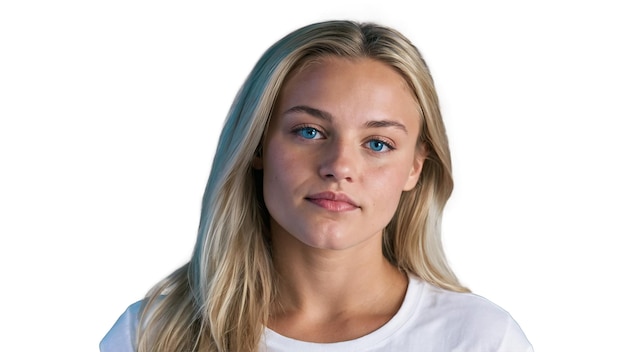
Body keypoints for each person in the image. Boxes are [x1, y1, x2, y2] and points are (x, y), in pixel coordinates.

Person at [100, 20, 533, 352]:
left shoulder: (480, 340)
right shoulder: (153, 334)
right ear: (257, 145)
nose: (339, 166)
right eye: (309, 132)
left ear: (414, 169)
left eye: (378, 143)